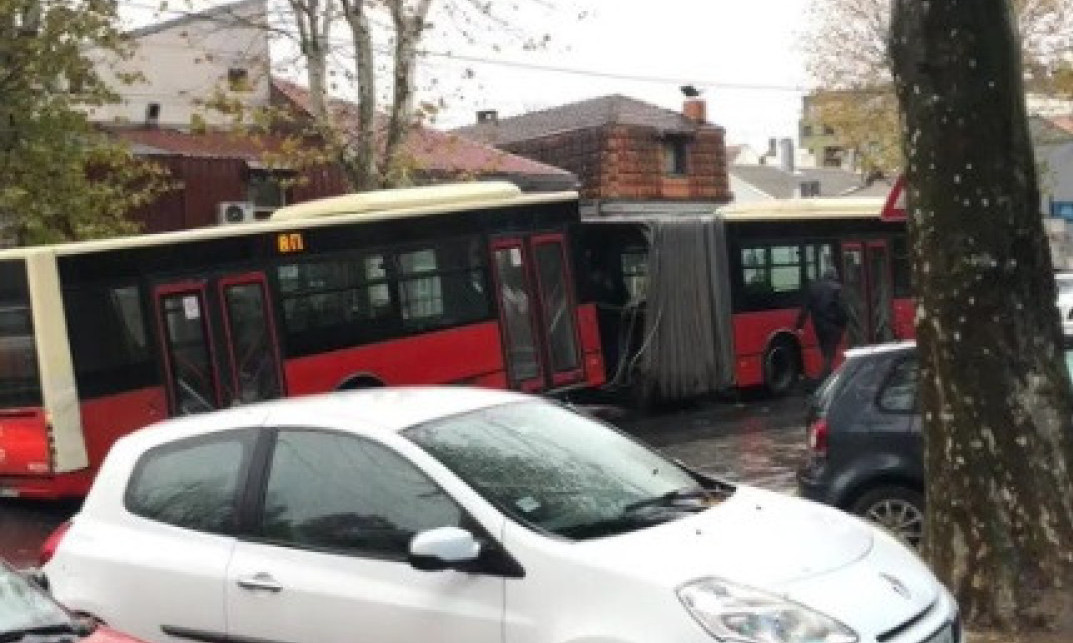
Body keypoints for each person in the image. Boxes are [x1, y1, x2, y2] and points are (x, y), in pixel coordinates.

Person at [796, 267, 848, 381]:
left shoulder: (813, 288)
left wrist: (799, 326)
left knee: (826, 352)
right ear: (834, 276)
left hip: (819, 326)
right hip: (834, 326)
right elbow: (842, 309)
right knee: (830, 353)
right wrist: (844, 324)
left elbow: (805, 308)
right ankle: (822, 380)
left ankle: (830, 379)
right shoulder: (837, 288)